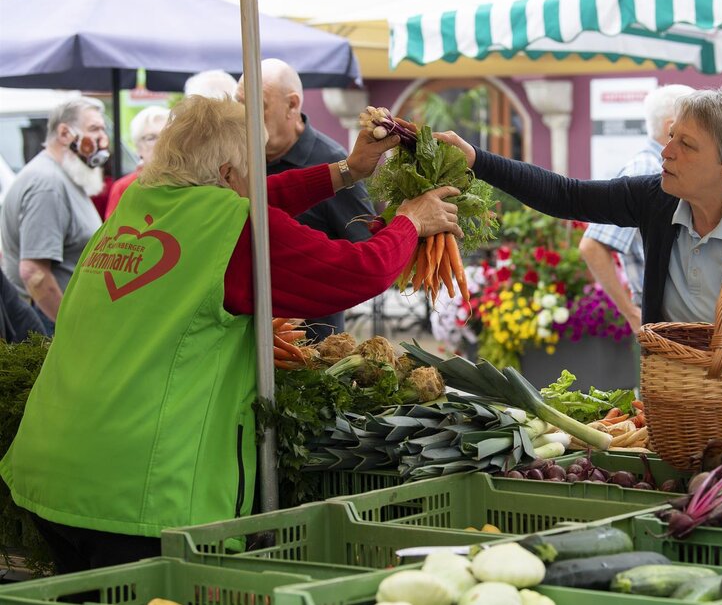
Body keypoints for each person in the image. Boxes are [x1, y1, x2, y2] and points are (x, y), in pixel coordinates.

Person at [0, 95, 459, 573]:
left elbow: (257, 197)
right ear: (226, 174)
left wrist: (347, 171)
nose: (259, 180)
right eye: (253, 168)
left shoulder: (139, 204)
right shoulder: (232, 230)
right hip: (136, 489)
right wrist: (410, 222)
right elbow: (357, 271)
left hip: (52, 466)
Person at [437, 88, 722, 335]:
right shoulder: (655, 197)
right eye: (671, 136)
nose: (666, 152)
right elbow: (566, 195)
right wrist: (477, 160)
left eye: (686, 144)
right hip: (667, 386)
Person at [236, 59, 377, 342]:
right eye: (239, 104)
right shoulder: (236, 159)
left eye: (257, 105)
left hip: (312, 344)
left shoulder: (336, 165)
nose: (244, 116)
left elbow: (366, 253)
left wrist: (305, 293)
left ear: (292, 105)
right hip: (241, 337)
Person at [579, 84, 693, 333]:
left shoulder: (660, 167)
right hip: (662, 319)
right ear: (671, 127)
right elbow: (592, 246)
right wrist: (632, 314)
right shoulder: (646, 168)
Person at [0, 97, 108, 334]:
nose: (102, 139)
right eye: (94, 129)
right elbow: (34, 273)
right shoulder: (48, 184)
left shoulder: (64, 175)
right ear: (64, 133)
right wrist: (70, 328)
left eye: (103, 129)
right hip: (48, 321)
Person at [104, 106, 171, 216]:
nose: (161, 143)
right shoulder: (124, 188)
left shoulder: (189, 182)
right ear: (138, 147)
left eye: (167, 136)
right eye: (151, 138)